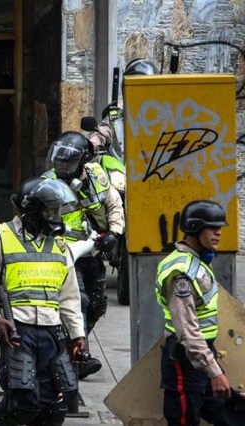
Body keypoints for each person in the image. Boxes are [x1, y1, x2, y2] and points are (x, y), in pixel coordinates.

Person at [0, 177, 85, 425]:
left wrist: (78, 336)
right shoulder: (2, 236)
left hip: (52, 333)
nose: (56, 215)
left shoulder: (59, 244)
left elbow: (69, 297)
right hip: (18, 331)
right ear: (33, 209)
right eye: (51, 209)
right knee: (23, 404)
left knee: (54, 408)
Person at [42, 131, 125, 379]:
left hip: (93, 250)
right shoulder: (47, 182)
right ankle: (76, 357)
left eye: (68, 162)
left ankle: (66, 351)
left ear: (84, 161)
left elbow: (114, 205)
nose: (62, 166)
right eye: (59, 160)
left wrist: (115, 233)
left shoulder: (98, 175)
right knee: (79, 303)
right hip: (65, 254)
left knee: (98, 306)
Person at [154, 200, 234, 425]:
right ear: (194, 229)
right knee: (184, 418)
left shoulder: (196, 262)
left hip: (202, 355)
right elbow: (188, 331)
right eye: (212, 228)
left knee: (226, 413)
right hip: (185, 356)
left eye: (220, 228)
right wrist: (215, 372)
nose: (218, 233)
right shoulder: (181, 272)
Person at [89, 58, 157, 151]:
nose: (140, 92)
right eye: (134, 86)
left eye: (145, 87)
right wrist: (90, 145)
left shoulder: (163, 114)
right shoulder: (118, 114)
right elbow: (102, 133)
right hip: (122, 163)